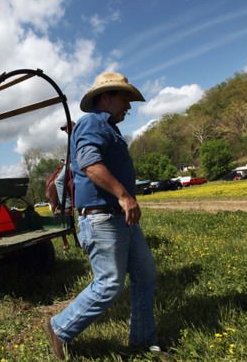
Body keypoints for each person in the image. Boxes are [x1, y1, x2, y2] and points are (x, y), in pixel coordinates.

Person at [44, 72, 161, 359]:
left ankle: (142, 339)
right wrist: (123, 195)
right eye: (125, 98)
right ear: (106, 97)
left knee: (145, 276)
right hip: (103, 219)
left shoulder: (109, 128)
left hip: (120, 219)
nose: (129, 107)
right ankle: (60, 328)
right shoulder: (92, 122)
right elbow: (89, 163)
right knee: (109, 284)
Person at [53, 121, 75, 213]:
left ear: (72, 126)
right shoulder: (76, 135)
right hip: (75, 161)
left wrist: (67, 161)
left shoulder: (74, 136)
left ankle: (67, 205)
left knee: (58, 181)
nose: (66, 131)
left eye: (66, 128)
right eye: (64, 129)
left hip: (75, 163)